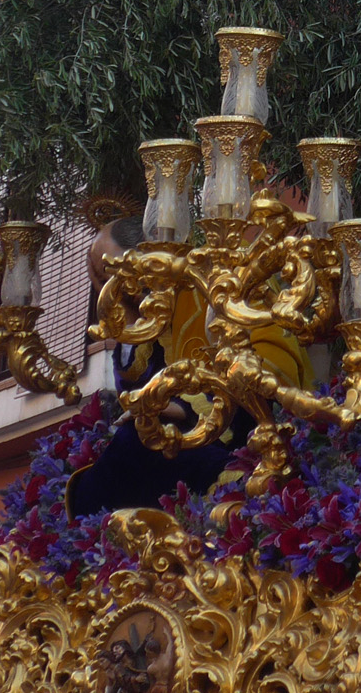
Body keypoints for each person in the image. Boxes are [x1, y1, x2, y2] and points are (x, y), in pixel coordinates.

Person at [68, 217, 314, 516]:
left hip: (249, 431)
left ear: (148, 254)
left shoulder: (228, 277)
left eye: (117, 275)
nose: (115, 288)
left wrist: (182, 406)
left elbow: (272, 365)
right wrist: (123, 312)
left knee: (132, 448)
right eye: (104, 279)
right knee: (121, 456)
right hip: (187, 438)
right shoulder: (156, 311)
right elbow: (134, 386)